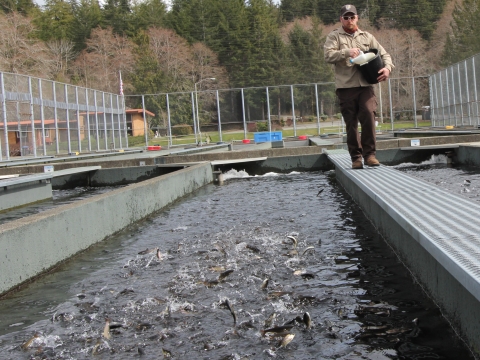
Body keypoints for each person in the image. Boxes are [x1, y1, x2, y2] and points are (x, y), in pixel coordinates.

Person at [324, 4, 394, 169]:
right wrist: (347, 52)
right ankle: (356, 158)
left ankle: (370, 155)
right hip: (346, 87)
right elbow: (328, 55)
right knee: (351, 123)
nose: (349, 20)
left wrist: (387, 68)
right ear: (341, 19)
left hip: (365, 85)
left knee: (369, 116)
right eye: (346, 17)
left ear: (357, 18)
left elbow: (384, 54)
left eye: (352, 17)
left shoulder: (367, 36)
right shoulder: (334, 37)